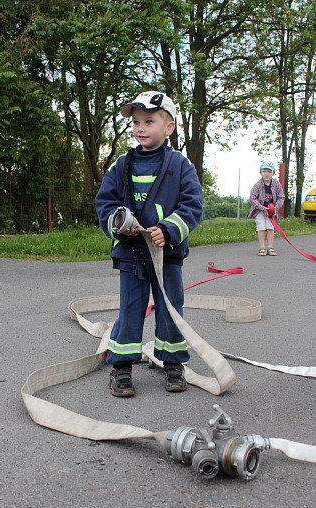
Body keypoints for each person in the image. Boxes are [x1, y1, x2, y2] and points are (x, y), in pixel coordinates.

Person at [96, 90, 203, 397]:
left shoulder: (180, 165)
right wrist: (119, 224)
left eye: (149, 121)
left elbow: (193, 205)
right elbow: (105, 202)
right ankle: (122, 368)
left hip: (166, 257)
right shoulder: (121, 165)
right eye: (136, 121)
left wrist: (169, 230)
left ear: (168, 127)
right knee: (130, 309)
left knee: (170, 310)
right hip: (131, 255)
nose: (140, 127)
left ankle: (172, 363)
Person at [249, 161, 285, 256]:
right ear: (261, 172)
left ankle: (270, 247)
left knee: (270, 227)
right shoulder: (257, 185)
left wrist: (276, 208)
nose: (267, 174)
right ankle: (262, 248)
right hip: (259, 210)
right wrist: (262, 208)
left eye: (269, 172)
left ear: (273, 173)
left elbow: (281, 197)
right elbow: (252, 198)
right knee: (261, 226)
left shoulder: (277, 185)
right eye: (264, 171)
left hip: (272, 210)